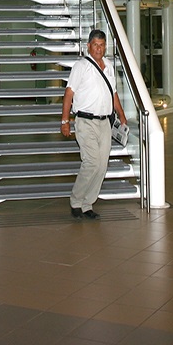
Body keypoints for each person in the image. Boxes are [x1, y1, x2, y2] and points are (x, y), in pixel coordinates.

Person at [60, 29, 127, 219]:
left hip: (105, 122)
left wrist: (121, 114)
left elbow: (113, 93)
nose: (99, 48)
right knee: (91, 162)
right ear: (88, 46)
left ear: (105, 46)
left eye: (102, 45)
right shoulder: (80, 66)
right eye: (95, 45)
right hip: (85, 121)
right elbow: (69, 94)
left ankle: (88, 204)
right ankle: (76, 201)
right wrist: (65, 120)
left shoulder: (109, 66)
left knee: (102, 164)